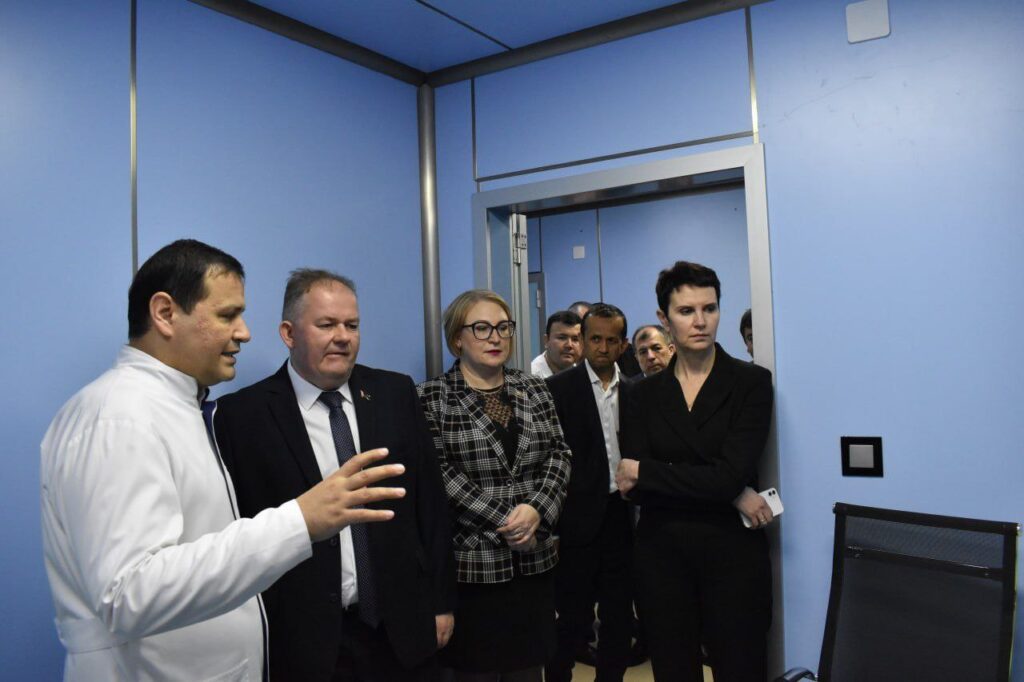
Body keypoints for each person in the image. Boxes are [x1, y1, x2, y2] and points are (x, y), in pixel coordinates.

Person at [40, 240, 406, 681]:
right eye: (227, 315)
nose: (244, 332)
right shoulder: (120, 417)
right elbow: (128, 595)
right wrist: (299, 521)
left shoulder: (174, 408)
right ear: (165, 313)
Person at [214, 269, 456, 681]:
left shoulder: (395, 393)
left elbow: (429, 503)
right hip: (305, 637)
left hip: (402, 628)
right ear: (289, 333)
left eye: (352, 325)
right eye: (326, 325)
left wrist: (441, 601)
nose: (343, 337)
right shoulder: (242, 416)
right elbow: (239, 531)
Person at [615, 261, 775, 682]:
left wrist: (650, 471)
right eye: (686, 311)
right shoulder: (641, 394)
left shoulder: (751, 383)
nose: (701, 321)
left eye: (710, 308)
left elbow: (727, 474)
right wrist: (731, 490)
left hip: (732, 557)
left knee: (741, 669)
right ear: (664, 319)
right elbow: (634, 490)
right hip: (662, 557)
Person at [417, 289, 572, 682]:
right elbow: (439, 474)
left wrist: (536, 510)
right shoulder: (431, 397)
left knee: (528, 671)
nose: (496, 337)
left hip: (534, 562)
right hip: (475, 569)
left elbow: (559, 453)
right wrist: (508, 518)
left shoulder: (534, 388)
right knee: (477, 673)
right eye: (482, 328)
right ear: (457, 338)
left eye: (504, 327)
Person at [545, 304, 635, 682]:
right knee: (572, 615)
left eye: (611, 340)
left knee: (619, 614)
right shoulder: (558, 389)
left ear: (623, 345)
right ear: (583, 340)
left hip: (622, 514)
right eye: (595, 338)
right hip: (576, 516)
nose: (602, 347)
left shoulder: (635, 389)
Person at [529, 310, 582, 378]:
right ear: (546, 341)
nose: (569, 345)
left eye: (575, 339)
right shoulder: (530, 377)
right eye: (562, 338)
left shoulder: (583, 374)